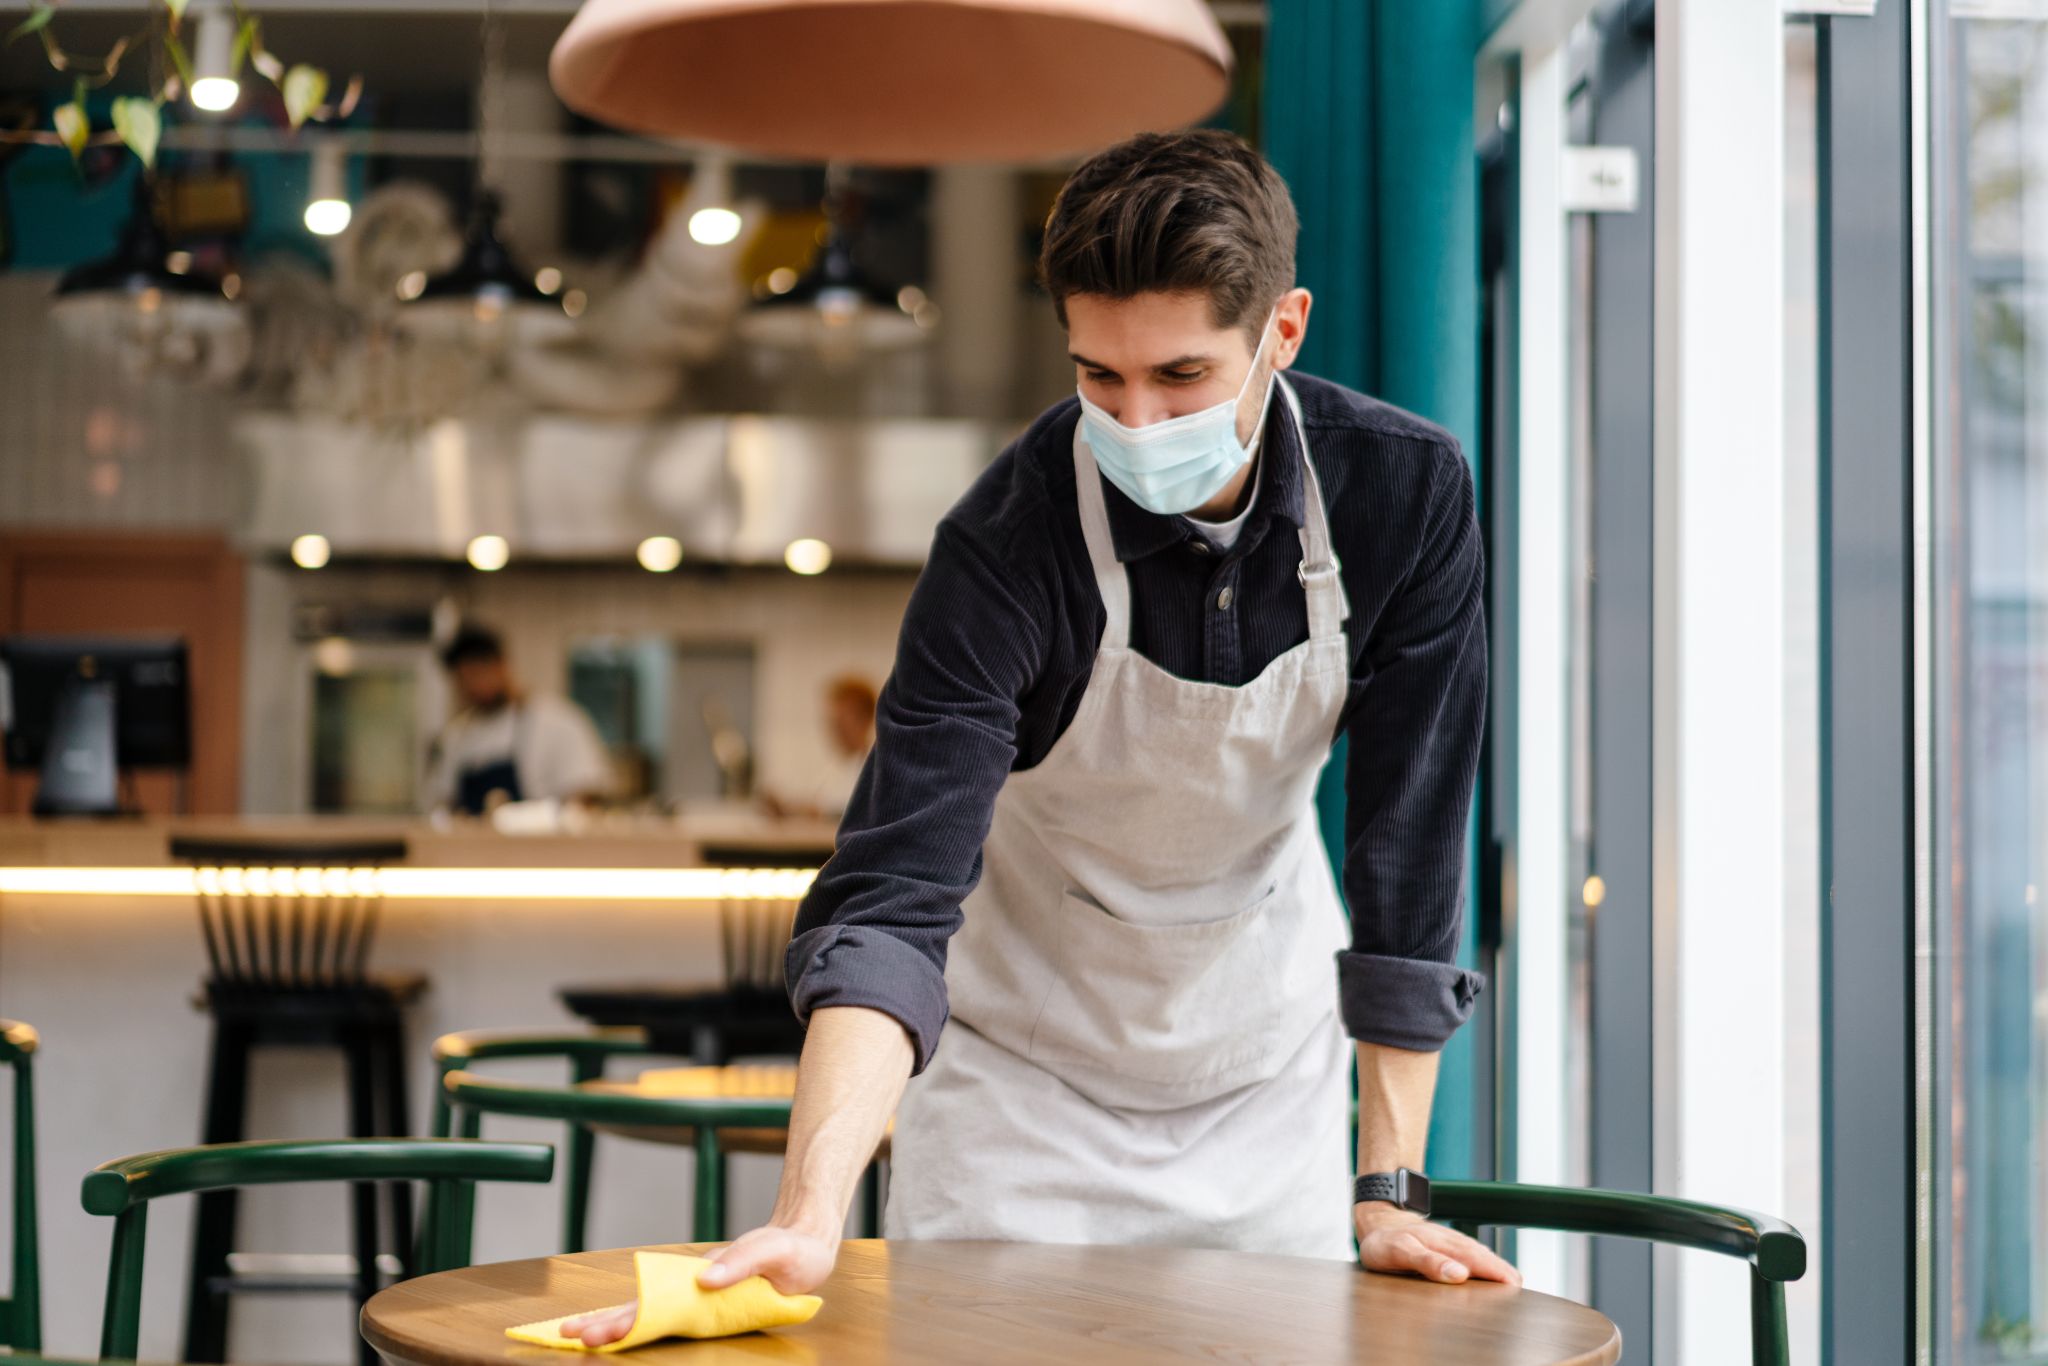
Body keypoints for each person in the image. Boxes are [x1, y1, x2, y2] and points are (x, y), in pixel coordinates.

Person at [566, 128, 1513, 1343]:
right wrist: (810, 1214)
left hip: (1257, 1085)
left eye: (1178, 378)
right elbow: (888, 903)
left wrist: (1385, 1190)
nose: (1134, 421)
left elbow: (1409, 846)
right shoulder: (1004, 546)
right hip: (1022, 1098)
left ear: (1281, 331)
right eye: (1098, 378)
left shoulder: (1403, 496)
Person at [422, 625, 613, 815]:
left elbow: (585, 795)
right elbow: (443, 803)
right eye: (462, 679)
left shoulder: (558, 721)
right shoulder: (456, 736)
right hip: (472, 845)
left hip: (539, 844)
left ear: (501, 665)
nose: (470, 686)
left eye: (476, 673)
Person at [759, 675, 879, 821]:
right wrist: (786, 809)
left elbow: (848, 813)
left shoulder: (876, 767)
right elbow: (818, 806)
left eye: (840, 722)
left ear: (864, 718)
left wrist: (801, 810)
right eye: (832, 723)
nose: (835, 731)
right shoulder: (834, 771)